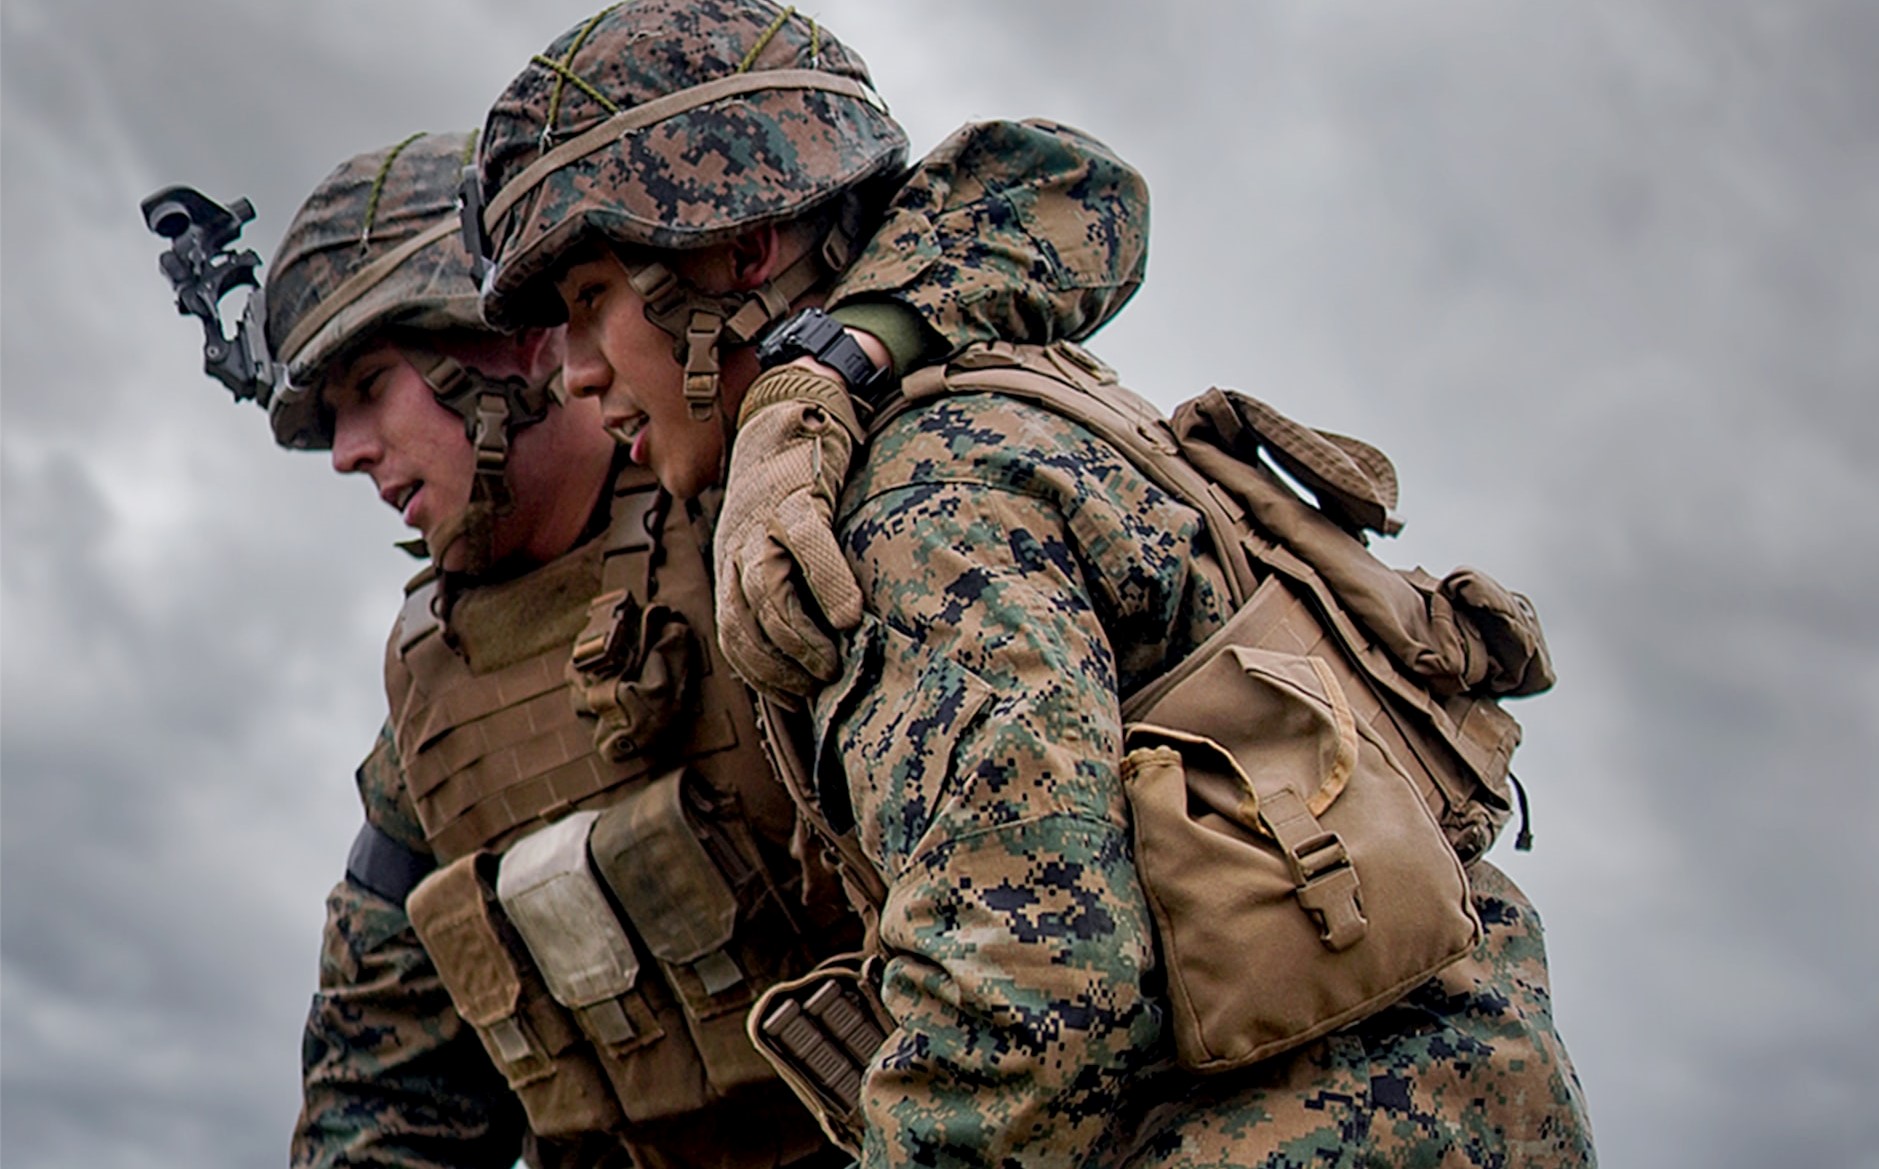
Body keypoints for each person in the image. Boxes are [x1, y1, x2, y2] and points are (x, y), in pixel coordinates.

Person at [465, 3, 1598, 1167]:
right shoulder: (963, 392)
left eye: (590, 297)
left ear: (734, 254)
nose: (574, 372)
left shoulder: (911, 503)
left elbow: (1026, 1004)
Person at [162, 79, 1149, 1169]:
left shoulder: (768, 509)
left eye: (367, 386)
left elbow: (1055, 190)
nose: (347, 449)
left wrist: (840, 362)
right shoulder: (429, 720)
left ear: (498, 338)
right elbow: (382, 1094)